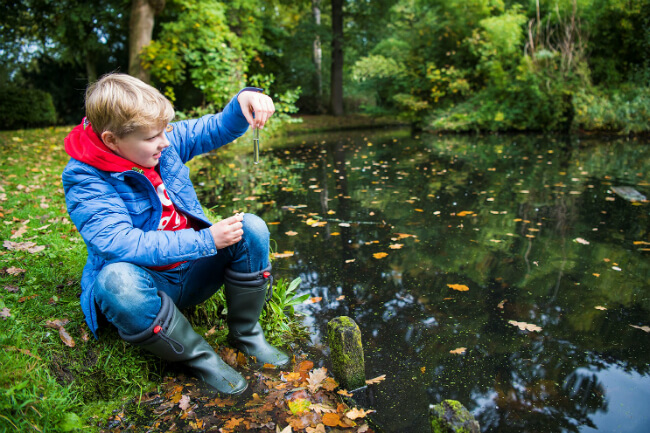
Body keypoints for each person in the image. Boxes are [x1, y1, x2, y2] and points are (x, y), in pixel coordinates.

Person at [62, 73, 288, 395]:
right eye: (152, 137)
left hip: (194, 270)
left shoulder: (160, 142)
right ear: (113, 140)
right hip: (150, 285)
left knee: (250, 227)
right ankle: (202, 360)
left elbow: (212, 128)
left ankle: (247, 335)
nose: (165, 142)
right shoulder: (84, 177)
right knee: (115, 283)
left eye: (165, 131)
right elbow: (119, 242)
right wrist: (205, 240)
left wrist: (243, 101)